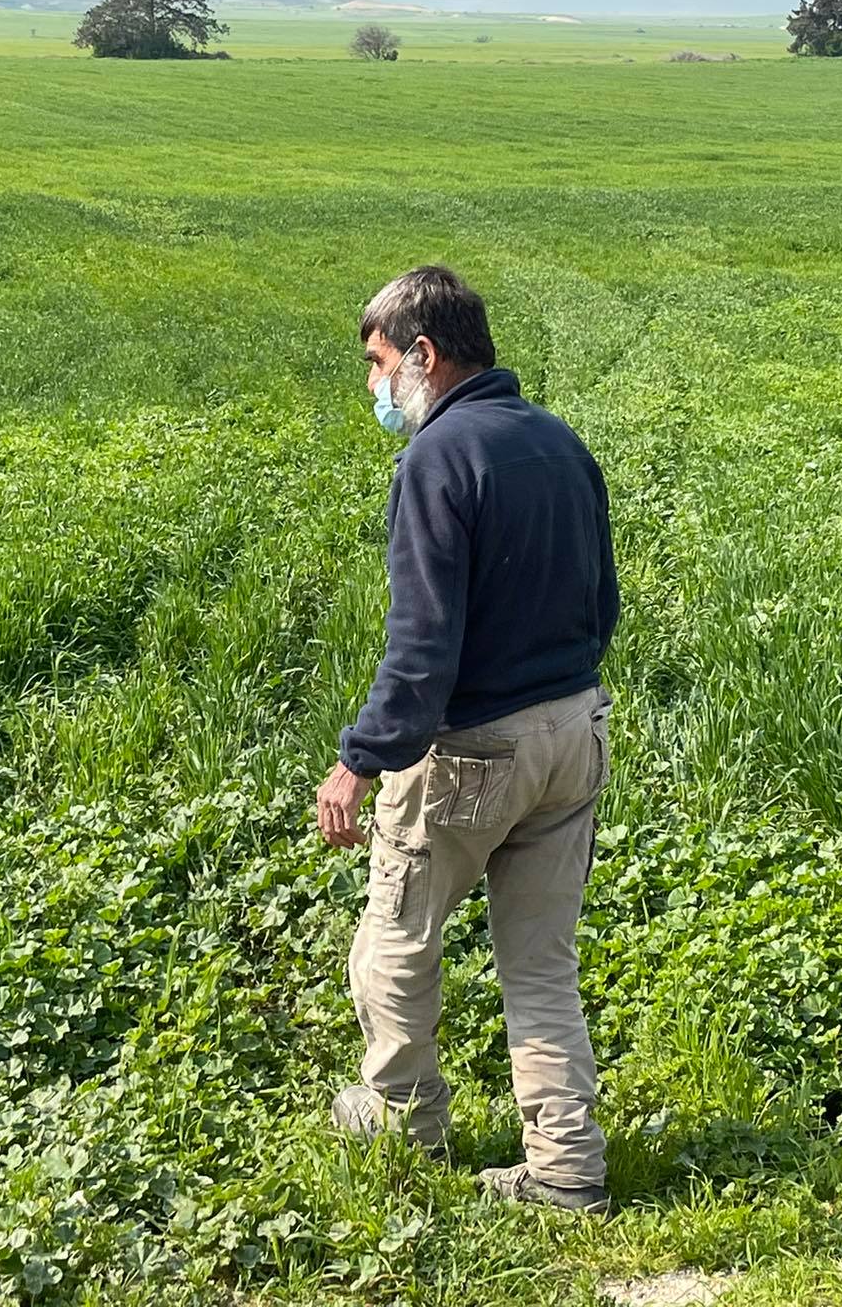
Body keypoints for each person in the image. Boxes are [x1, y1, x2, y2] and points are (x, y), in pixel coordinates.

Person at [315, 264, 620, 1213]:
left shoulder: (437, 462)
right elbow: (601, 605)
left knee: (396, 937)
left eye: (376, 364)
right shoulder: (558, 443)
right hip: (573, 732)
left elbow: (421, 647)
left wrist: (360, 759)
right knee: (540, 962)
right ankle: (567, 1167)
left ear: (424, 353)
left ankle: (405, 1124)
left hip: (472, 754)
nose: (374, 387)